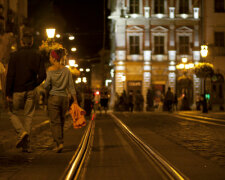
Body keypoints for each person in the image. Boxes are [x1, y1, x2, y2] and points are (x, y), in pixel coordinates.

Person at [5, 28, 46, 152]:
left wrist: (8, 93)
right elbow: (43, 75)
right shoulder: (37, 55)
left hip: (17, 90)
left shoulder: (14, 56)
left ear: (22, 42)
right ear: (31, 42)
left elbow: (10, 75)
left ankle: (22, 132)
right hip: (31, 90)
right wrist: (34, 84)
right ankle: (26, 144)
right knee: (28, 116)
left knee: (12, 112)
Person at [43, 49, 78, 153]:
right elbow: (71, 86)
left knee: (55, 122)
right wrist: (75, 100)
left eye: (50, 57)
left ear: (54, 58)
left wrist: (46, 90)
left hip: (53, 97)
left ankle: (59, 143)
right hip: (64, 98)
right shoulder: (66, 70)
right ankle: (60, 141)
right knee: (62, 121)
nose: (49, 59)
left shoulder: (50, 69)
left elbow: (47, 85)